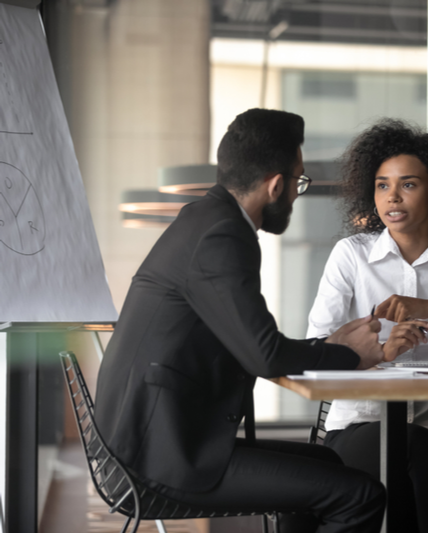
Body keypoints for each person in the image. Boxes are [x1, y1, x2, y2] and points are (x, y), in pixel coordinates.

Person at [95, 109, 386, 532]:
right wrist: (349, 355)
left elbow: (251, 342)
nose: (295, 194)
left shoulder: (205, 219)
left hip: (151, 439)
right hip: (155, 456)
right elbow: (264, 355)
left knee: (325, 463)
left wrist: (334, 343)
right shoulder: (223, 235)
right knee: (360, 496)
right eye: (298, 182)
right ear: (274, 184)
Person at [307, 119, 428, 533]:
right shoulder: (351, 255)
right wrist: (377, 351)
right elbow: (317, 344)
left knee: (421, 445)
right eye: (382, 185)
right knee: (412, 445)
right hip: (358, 425)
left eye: (408, 184)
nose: (392, 196)